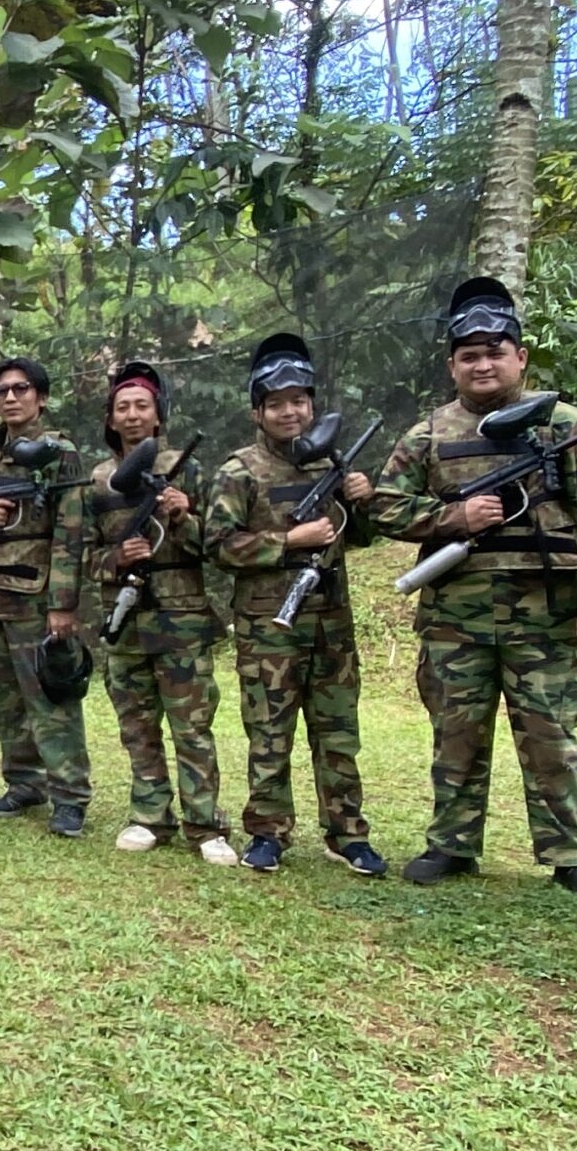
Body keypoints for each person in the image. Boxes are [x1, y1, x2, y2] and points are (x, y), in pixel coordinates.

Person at [377, 279, 577, 902]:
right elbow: (385, 507)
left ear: (520, 356)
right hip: (455, 613)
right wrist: (452, 520)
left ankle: (573, 854)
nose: (483, 364)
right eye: (469, 355)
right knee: (456, 730)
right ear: (452, 365)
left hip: (546, 611)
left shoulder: (563, 427)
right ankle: (452, 843)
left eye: (496, 351)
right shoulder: (427, 436)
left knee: (551, 733)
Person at [203, 333, 386, 877]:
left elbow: (363, 536)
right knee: (269, 733)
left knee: (338, 734)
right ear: (258, 410)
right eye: (277, 403)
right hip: (268, 629)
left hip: (331, 624)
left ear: (312, 404)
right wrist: (288, 541)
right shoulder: (240, 472)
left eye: (299, 401)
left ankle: (348, 833)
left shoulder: (332, 462)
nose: (290, 412)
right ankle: (267, 832)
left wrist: (363, 501)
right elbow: (217, 545)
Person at [88, 362, 233, 865]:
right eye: (122, 407)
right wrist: (116, 559)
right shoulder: (99, 481)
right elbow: (82, 555)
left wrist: (181, 516)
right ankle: (149, 816)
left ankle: (205, 824)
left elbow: (219, 545)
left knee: (192, 725)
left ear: (158, 415)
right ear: (110, 418)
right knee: (138, 726)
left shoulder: (187, 470)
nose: (131, 416)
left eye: (141, 406)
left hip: (183, 620)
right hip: (125, 621)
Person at [0, 356, 90, 837]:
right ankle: (24, 783)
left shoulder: (61, 454)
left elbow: (72, 531)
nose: (11, 398)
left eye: (21, 389)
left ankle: (70, 797)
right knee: (3, 703)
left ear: (41, 397)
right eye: (2, 391)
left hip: (38, 600)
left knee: (50, 701)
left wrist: (62, 604)